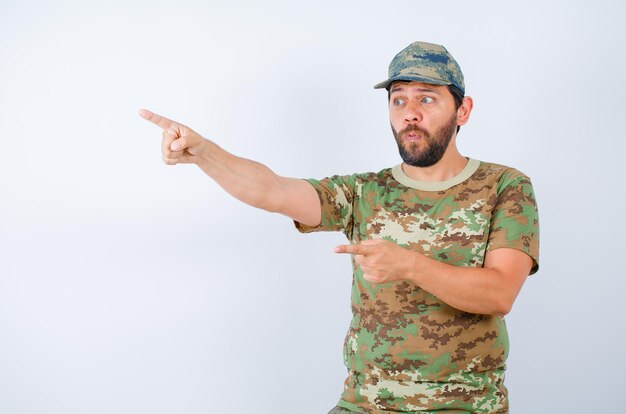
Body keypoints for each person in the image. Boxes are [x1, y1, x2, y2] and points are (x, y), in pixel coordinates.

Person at [139, 41, 539, 414]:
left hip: (463, 406)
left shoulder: (504, 186)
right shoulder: (363, 191)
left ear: (463, 110)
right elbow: (273, 190)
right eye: (398, 100)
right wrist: (206, 154)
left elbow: (499, 292)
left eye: (427, 99)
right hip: (364, 404)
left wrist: (408, 265)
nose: (409, 113)